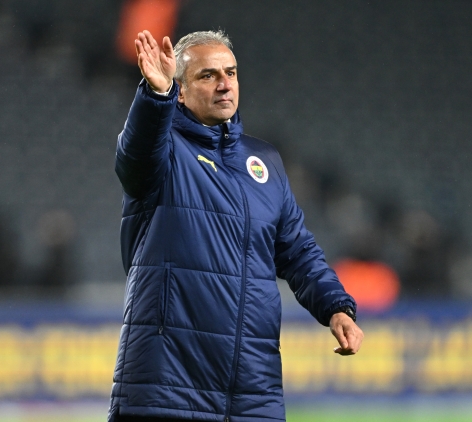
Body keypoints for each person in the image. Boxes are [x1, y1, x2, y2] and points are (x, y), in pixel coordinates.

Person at [109, 29, 364, 422]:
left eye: (230, 72)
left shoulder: (265, 162)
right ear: (180, 91)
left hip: (253, 388)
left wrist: (336, 308)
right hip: (168, 384)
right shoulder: (164, 150)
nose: (224, 84)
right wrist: (156, 96)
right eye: (207, 75)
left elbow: (298, 252)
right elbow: (135, 155)